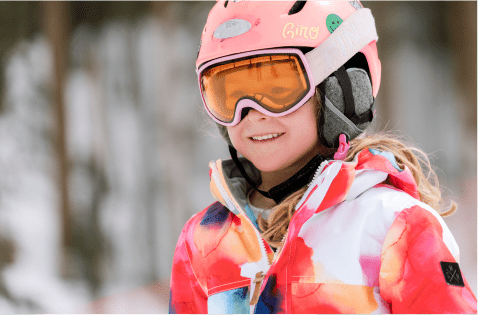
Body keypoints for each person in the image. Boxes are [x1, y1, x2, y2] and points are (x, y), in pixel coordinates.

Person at [169, 1, 477, 313]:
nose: (252, 113)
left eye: (277, 87)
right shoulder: (204, 239)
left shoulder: (393, 226)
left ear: (339, 89)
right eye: (229, 93)